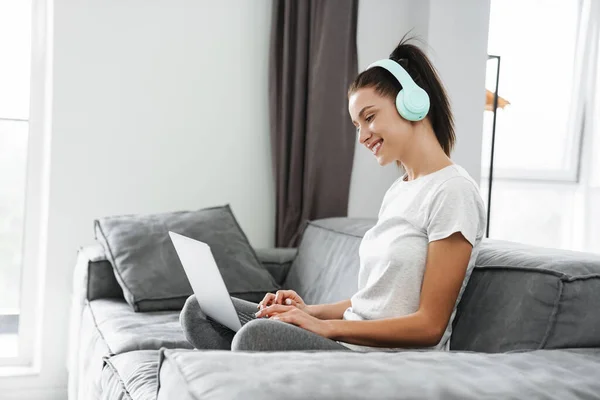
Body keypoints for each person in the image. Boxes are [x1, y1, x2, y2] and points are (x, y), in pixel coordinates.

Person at [180, 37, 486, 352]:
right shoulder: (400, 191)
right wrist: (305, 312)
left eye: (369, 117)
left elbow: (429, 326)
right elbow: (374, 301)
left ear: (413, 104)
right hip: (349, 344)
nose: (363, 136)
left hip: (389, 363)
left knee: (253, 337)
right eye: (357, 125)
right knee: (201, 311)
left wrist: (324, 328)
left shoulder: (453, 192)